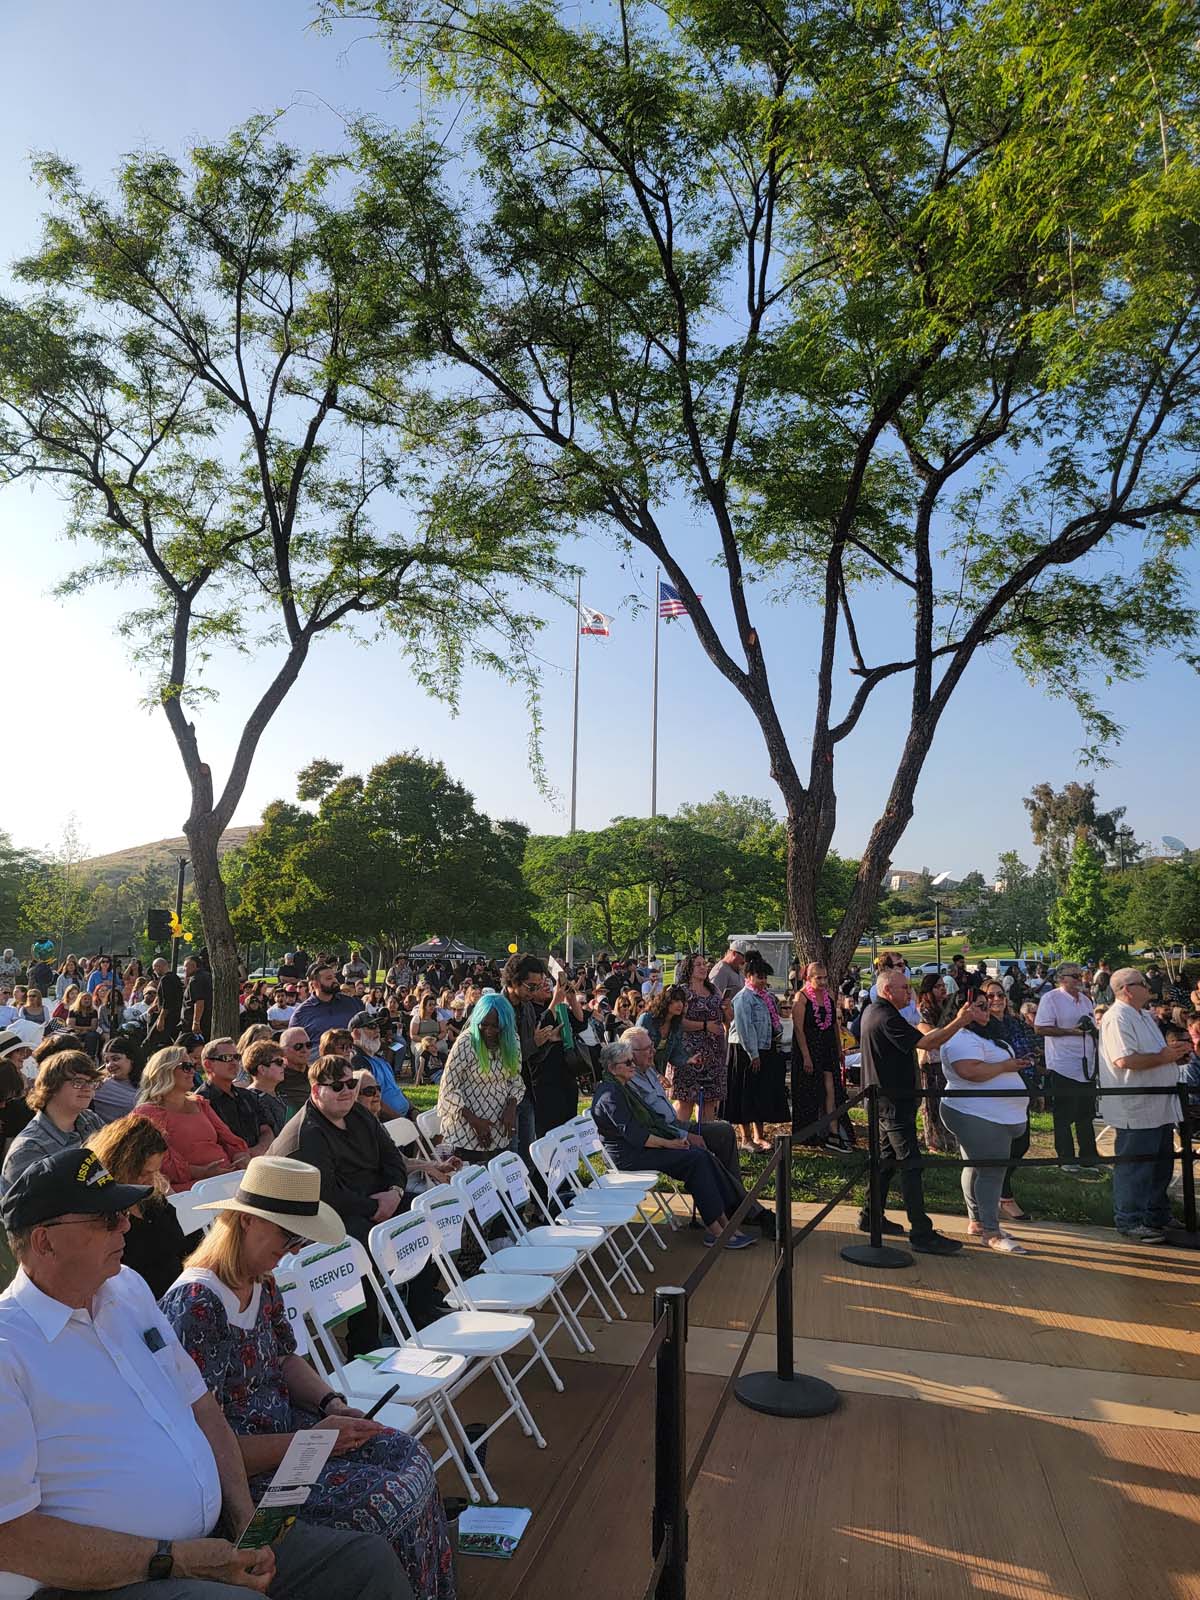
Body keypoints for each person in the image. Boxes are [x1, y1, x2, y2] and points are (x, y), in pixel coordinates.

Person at [0, 1146, 412, 1600]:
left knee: (366, 1564)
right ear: (44, 1241)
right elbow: (12, 1539)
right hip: (102, 1578)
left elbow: (203, 1408)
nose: (126, 1224)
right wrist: (179, 1558)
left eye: (121, 1212)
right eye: (104, 1219)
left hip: (207, 1541)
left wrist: (245, 1523)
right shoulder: (9, 1349)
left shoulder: (128, 1290)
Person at [160, 1157, 454, 1600]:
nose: (295, 1247)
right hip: (245, 1474)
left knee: (409, 1454)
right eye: (287, 1233)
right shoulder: (198, 1304)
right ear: (244, 1221)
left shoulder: (262, 1280)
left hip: (296, 1439)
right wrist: (315, 1440)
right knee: (389, 1499)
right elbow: (203, 1444)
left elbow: (284, 1358)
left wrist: (331, 1405)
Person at [268, 1058, 455, 1350]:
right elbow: (325, 1196)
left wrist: (394, 1192)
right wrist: (375, 1208)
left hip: (375, 1199)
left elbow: (392, 1156)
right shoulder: (306, 1135)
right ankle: (364, 1341)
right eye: (337, 1086)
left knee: (419, 1216)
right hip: (318, 1217)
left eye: (351, 1084)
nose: (346, 1091)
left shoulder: (357, 1112)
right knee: (362, 1245)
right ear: (316, 1091)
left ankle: (419, 1309)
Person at [857, 968, 988, 1254]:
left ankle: (870, 1215)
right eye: (904, 988)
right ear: (887, 990)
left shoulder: (872, 1012)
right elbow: (927, 1042)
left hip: (885, 1102)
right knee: (911, 1164)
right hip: (893, 1103)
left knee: (887, 1162)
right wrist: (960, 1021)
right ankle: (921, 1232)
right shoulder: (886, 1016)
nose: (910, 992)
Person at [591, 1038, 757, 1249]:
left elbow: (652, 1122)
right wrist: (672, 1144)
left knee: (700, 1155)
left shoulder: (622, 1087)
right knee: (695, 1160)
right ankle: (716, 1229)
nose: (633, 1066)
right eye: (628, 1063)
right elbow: (637, 1136)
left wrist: (676, 1139)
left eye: (632, 1061)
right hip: (629, 1156)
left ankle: (724, 1223)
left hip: (642, 1147)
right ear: (613, 1068)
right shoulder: (610, 1095)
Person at [624, 1027, 773, 1237]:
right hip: (666, 1135)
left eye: (652, 1047)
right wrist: (686, 1136)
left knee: (724, 1132)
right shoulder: (629, 1082)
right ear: (630, 1054)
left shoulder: (648, 1070)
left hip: (675, 1126)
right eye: (646, 1049)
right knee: (703, 1156)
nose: (652, 1052)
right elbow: (653, 1125)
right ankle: (746, 1209)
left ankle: (734, 1205)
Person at [1099, 968, 1192, 1243]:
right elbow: (1124, 1060)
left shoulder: (1142, 1015)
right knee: (1136, 1166)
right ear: (1127, 989)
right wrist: (1165, 1057)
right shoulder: (1117, 1018)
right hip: (1137, 1106)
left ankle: (1156, 1215)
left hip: (1159, 1105)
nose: (1148, 987)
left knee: (1160, 1166)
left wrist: (1173, 1058)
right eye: (1143, 984)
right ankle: (1130, 1220)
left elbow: (1153, 1055)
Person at [937, 1005, 1033, 1255]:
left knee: (976, 1166)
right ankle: (991, 1232)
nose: (986, 1009)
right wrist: (1005, 1067)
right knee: (991, 1172)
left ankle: (979, 1223)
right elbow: (969, 1071)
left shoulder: (986, 1035)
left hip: (998, 1114)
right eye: (979, 1005)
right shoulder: (960, 1037)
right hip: (978, 1114)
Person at [85, 1114, 188, 1295]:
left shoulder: (153, 1202)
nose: (149, 1181)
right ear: (119, 1166)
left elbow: (181, 1248)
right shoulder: (99, 1214)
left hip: (175, 1297)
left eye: (155, 1172)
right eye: (143, 1173)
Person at [133, 1046, 250, 1190]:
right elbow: (160, 1163)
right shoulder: (148, 1113)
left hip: (225, 1178)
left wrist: (240, 1156)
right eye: (186, 1067)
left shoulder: (200, 1103)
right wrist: (203, 1172)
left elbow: (228, 1138)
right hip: (189, 1189)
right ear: (165, 1071)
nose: (193, 1071)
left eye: (193, 1066)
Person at [437, 993, 526, 1162]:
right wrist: (474, 1121)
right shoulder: (466, 1042)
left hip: (499, 1128)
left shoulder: (512, 1041)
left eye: (495, 1026)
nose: (489, 1031)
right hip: (464, 1130)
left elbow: (516, 1080)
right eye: (483, 1025)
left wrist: (512, 1106)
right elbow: (447, 1089)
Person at [0, 1050, 104, 1197]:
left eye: (91, 1082)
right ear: (51, 1086)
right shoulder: (29, 1150)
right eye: (78, 1082)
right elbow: (21, 1214)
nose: (87, 1089)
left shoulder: (90, 1120)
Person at [1034, 963, 1101, 1175]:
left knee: (1086, 1114)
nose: (1080, 979)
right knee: (1064, 1115)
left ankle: (1089, 1158)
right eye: (1074, 976)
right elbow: (1040, 1027)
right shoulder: (1051, 998)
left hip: (1086, 1065)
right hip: (1063, 1064)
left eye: (1080, 975)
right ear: (1062, 978)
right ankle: (1066, 1158)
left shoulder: (1086, 1000)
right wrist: (1071, 1032)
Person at [726, 957, 789, 1152]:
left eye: (764, 977)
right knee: (745, 1094)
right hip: (745, 1050)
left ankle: (759, 1135)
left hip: (765, 1048)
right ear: (749, 976)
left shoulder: (768, 997)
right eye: (758, 977)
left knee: (759, 1093)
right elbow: (745, 1028)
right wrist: (753, 1054)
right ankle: (745, 1138)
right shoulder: (743, 998)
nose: (762, 981)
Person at [792, 961, 851, 1152]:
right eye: (819, 978)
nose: (823, 981)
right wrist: (806, 1057)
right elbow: (799, 1031)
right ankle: (812, 1132)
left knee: (831, 1086)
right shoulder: (801, 998)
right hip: (809, 1048)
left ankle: (833, 1129)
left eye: (825, 977)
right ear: (808, 978)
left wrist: (838, 1048)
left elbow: (834, 1024)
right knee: (812, 1090)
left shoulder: (830, 996)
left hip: (827, 1047)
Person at [670, 952, 730, 1125]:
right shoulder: (681, 991)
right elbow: (677, 1021)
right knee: (686, 1101)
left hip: (714, 1054)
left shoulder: (714, 990)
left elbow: (727, 1020)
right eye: (698, 964)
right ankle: (680, 1138)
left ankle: (706, 1141)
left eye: (704, 964)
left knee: (710, 1101)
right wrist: (705, 1026)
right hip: (689, 1054)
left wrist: (727, 1010)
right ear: (688, 968)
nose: (704, 967)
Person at [528, 974, 588, 1136]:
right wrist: (556, 999)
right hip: (544, 1078)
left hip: (566, 1072)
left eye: (547, 982)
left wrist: (571, 998)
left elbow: (580, 1022)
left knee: (569, 1123)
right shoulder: (530, 1010)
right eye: (541, 985)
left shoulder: (557, 1007)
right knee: (551, 1128)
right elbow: (542, 1024)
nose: (547, 986)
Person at [196, 1038, 275, 1156]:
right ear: (208, 1065)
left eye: (236, 1057)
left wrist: (256, 1151)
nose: (234, 1063)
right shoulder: (201, 1101)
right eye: (227, 1058)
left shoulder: (248, 1096)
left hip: (259, 1161)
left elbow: (266, 1130)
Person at [289, 960, 361, 1059]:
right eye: (329, 978)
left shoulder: (351, 1003)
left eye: (334, 977)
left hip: (353, 1060)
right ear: (315, 984)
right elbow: (294, 1046)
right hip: (320, 1064)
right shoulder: (301, 1014)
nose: (335, 981)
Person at [350, 1013, 411, 1120]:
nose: (377, 1030)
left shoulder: (379, 1058)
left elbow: (395, 1089)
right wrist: (403, 1122)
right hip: (387, 1123)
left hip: (405, 1118)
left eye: (378, 1026)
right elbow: (372, 1103)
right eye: (371, 1026)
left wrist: (413, 1109)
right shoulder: (357, 1061)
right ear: (356, 1033)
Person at [92, 1032, 144, 1125]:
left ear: (131, 1058)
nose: (110, 1065)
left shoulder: (148, 1082)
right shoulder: (100, 1085)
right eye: (107, 1061)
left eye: (115, 1059)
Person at [241, 1039, 289, 1136]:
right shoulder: (251, 1099)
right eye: (279, 1062)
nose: (284, 1066)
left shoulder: (281, 1094)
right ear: (262, 1069)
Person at [144, 956, 185, 1052]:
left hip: (168, 1017)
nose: (154, 970)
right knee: (174, 1041)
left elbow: (167, 1001)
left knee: (149, 1042)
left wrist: (161, 1018)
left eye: (155, 968)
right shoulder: (175, 978)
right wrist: (154, 1006)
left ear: (160, 966)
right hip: (176, 1015)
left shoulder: (165, 979)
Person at [408, 994, 447, 1086]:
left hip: (435, 1040)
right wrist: (425, 1041)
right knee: (421, 1051)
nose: (432, 1007)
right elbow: (413, 1035)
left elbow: (443, 1031)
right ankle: (419, 1076)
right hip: (419, 1040)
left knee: (443, 1047)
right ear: (424, 1005)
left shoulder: (438, 1016)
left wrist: (436, 1039)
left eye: (434, 1005)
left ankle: (442, 1071)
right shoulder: (417, 1017)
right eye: (430, 1005)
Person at [277, 1026, 315, 1112]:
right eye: (298, 1046)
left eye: (308, 1045)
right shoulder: (277, 1078)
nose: (305, 1050)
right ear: (283, 1051)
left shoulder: (317, 1074)